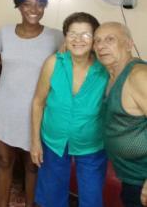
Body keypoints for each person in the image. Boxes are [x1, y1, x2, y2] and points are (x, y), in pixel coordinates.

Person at [0, 0, 63, 207]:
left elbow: (66, 71)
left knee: (32, 165)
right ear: (19, 6)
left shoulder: (56, 36)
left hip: (37, 110)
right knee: (4, 161)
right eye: (28, 4)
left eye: (40, 4)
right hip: (5, 108)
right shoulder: (5, 33)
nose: (35, 9)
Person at [31, 12, 109, 207]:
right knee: (52, 197)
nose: (78, 40)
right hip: (53, 141)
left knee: (91, 198)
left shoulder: (105, 69)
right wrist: (35, 142)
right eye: (72, 34)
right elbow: (38, 102)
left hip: (92, 145)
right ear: (65, 37)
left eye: (85, 34)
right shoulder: (53, 63)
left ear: (94, 39)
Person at [94, 22, 147, 207]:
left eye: (110, 39)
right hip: (130, 177)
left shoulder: (138, 76)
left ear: (129, 44)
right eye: (97, 41)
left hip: (142, 179)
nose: (100, 46)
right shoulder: (111, 75)